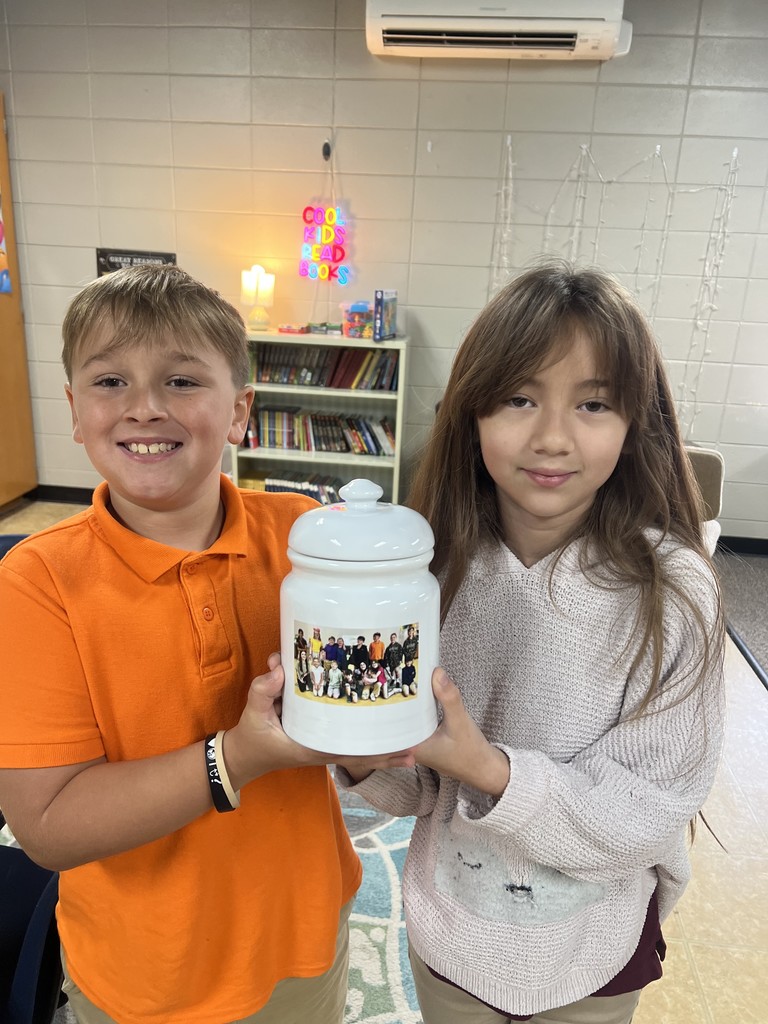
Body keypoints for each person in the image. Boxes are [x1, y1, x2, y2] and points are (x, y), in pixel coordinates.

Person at [0, 264, 409, 1024]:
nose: (146, 407)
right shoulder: (36, 584)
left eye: (183, 381)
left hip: (305, 939)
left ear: (239, 412)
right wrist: (238, 756)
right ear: (74, 410)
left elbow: (352, 733)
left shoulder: (304, 538)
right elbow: (48, 828)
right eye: (110, 382)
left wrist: (373, 733)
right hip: (143, 977)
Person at [338, 260, 726, 1024]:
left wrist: (486, 767)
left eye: (593, 404)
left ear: (634, 421)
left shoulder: (675, 590)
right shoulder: (431, 572)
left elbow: (648, 809)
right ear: (473, 413)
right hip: (451, 933)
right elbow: (414, 788)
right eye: (519, 398)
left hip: (596, 950)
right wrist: (355, 741)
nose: (551, 437)